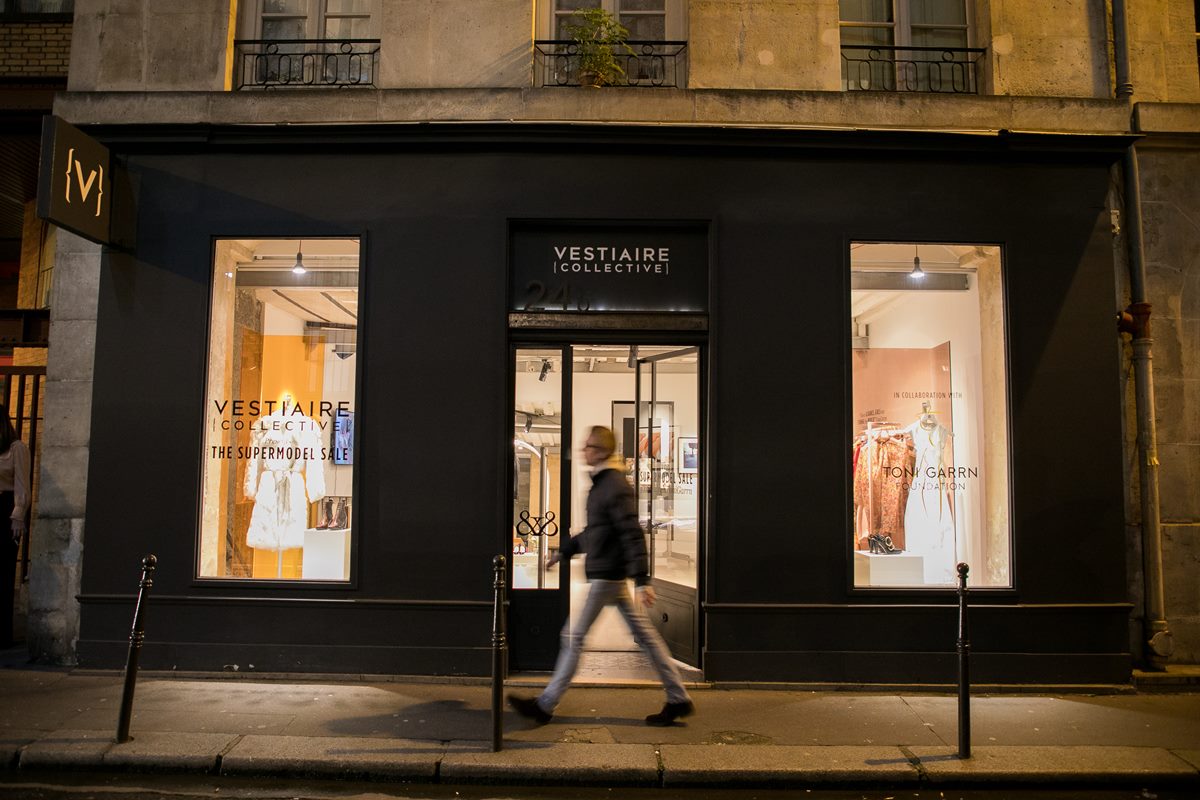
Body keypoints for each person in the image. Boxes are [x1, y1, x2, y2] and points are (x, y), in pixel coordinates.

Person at [508, 425, 694, 727]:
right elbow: (595, 532)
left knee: (572, 636)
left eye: (590, 446)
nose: (584, 451)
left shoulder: (613, 485)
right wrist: (563, 552)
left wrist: (643, 579)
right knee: (647, 638)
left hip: (607, 577)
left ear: (604, 451)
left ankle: (545, 704)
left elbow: (632, 533)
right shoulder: (604, 484)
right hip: (610, 576)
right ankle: (678, 698)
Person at [0, 405, 31, 648]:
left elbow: (22, 484)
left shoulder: (16, 448)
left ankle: (3, 633)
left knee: (5, 570)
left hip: (6, 508)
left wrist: (18, 515)